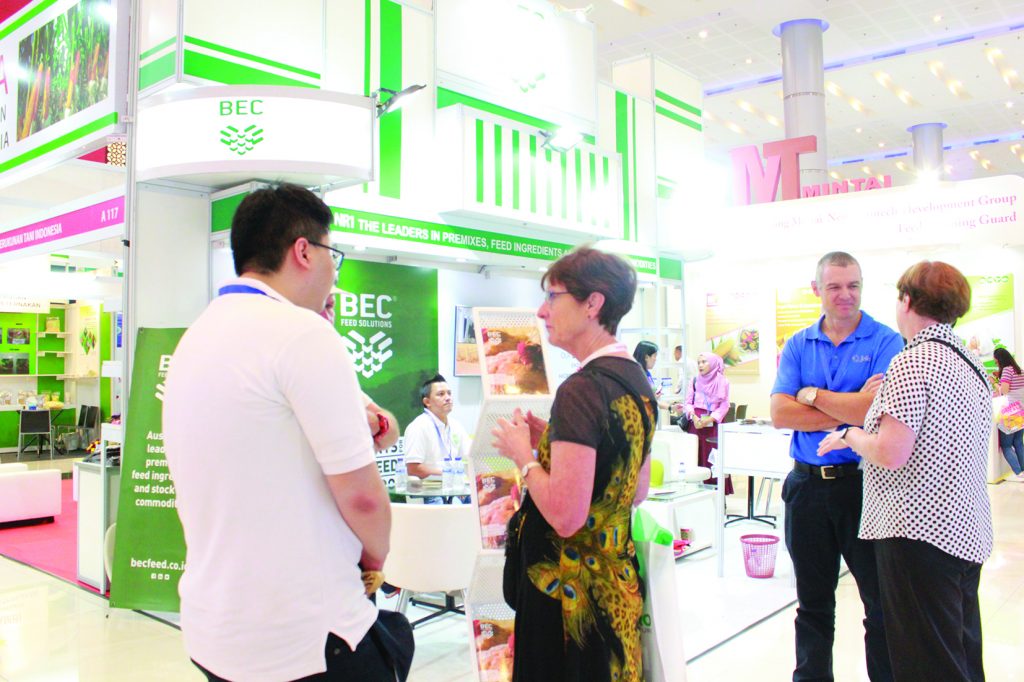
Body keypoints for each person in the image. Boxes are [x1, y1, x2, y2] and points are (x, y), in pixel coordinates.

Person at [163, 184, 405, 681]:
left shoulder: (196, 336)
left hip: (216, 628)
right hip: (305, 636)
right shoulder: (301, 333)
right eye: (333, 254)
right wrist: (375, 560)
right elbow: (362, 498)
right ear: (303, 251)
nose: (334, 270)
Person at [818, 261, 993, 682]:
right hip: (965, 529)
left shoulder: (912, 363)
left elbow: (890, 452)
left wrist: (851, 435)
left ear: (908, 301)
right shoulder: (969, 362)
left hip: (917, 533)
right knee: (960, 652)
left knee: (926, 659)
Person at [491, 246, 656, 682]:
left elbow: (566, 517)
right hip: (613, 590)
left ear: (592, 303)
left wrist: (525, 458)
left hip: (566, 604)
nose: (542, 311)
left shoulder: (581, 389)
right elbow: (635, 488)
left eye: (553, 296)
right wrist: (555, 441)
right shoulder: (635, 380)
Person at [770, 251, 903, 682]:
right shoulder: (798, 343)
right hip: (806, 488)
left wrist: (810, 395)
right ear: (816, 290)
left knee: (880, 605)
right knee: (812, 605)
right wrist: (854, 406)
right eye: (835, 286)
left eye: (853, 285)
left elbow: (876, 413)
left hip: (864, 489)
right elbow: (779, 414)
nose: (846, 295)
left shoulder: (886, 341)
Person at [321, 290, 400, 453]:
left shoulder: (333, 368)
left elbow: (391, 433)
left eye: (329, 306)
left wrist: (376, 422)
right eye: (318, 308)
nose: (326, 316)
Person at [402, 373, 472, 504]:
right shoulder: (418, 427)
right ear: (427, 402)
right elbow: (413, 468)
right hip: (428, 489)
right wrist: (448, 473)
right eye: (441, 394)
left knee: (480, 500)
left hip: (454, 487)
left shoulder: (456, 425)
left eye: (449, 393)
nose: (448, 398)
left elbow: (471, 455)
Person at [680, 352, 733, 494]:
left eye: (704, 362)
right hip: (696, 424)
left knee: (713, 458)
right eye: (699, 362)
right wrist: (693, 417)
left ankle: (717, 495)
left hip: (713, 425)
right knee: (695, 456)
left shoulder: (722, 381)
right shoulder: (695, 380)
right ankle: (696, 494)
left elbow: (725, 405)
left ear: (713, 363)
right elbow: (688, 402)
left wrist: (710, 419)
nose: (700, 365)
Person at [993, 347, 1024, 481]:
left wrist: (994, 383)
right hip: (1020, 410)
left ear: (1000, 360)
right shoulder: (1019, 370)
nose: (996, 364)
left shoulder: (1007, 370)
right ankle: (1022, 470)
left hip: (1010, 412)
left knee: (1006, 445)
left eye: (996, 361)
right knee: (1018, 442)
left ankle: (1018, 472)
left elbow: (1004, 391)